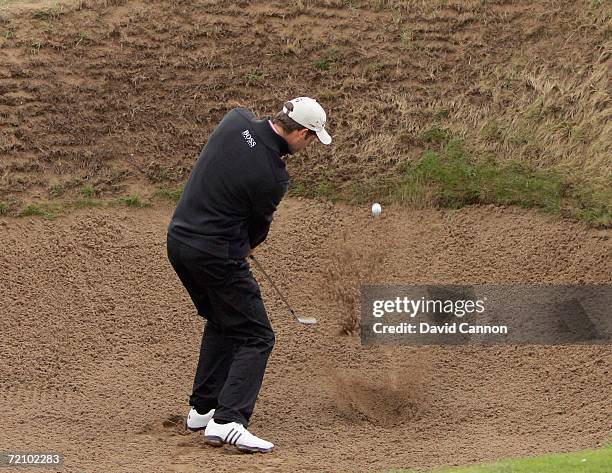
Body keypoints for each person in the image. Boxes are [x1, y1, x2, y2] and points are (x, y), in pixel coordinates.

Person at [166, 97, 331, 453]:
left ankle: (203, 409)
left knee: (223, 320)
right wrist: (248, 244)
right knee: (257, 336)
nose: (310, 144)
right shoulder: (273, 176)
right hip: (215, 255)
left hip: (179, 242)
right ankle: (229, 422)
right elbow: (256, 232)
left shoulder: (234, 120)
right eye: (312, 138)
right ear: (300, 133)